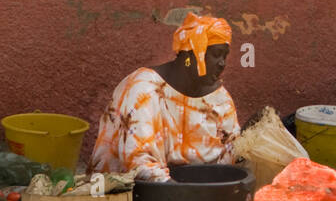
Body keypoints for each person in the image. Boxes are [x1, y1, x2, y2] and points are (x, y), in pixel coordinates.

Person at [89, 12, 239, 182]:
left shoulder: (220, 99)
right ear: (190, 56)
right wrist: (188, 197)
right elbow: (139, 164)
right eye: (216, 54)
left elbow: (228, 162)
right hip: (128, 196)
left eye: (225, 56)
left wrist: (251, 138)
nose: (222, 63)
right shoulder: (144, 89)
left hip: (191, 195)